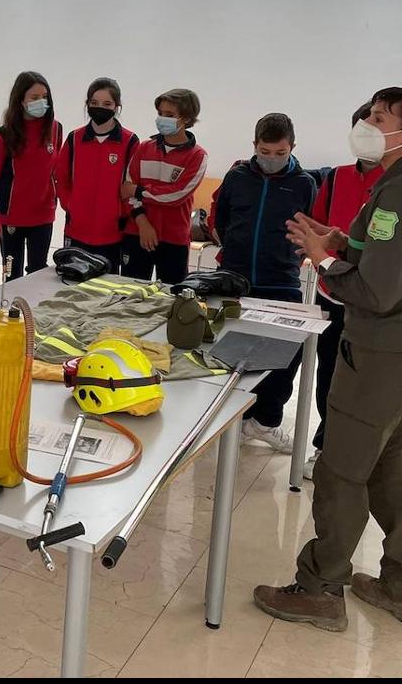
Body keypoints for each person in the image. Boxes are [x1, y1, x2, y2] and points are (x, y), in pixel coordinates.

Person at [255, 87, 402, 634]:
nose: (366, 124)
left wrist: (325, 261)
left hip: (380, 354)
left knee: (343, 470)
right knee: (399, 470)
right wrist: (342, 241)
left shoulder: (397, 195)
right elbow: (398, 260)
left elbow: (378, 291)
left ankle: (320, 588)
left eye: (378, 117)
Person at [209, 113, 316, 454]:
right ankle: (227, 419)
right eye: (265, 151)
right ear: (254, 146)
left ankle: (265, 420)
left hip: (281, 280)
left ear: (292, 148)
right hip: (235, 277)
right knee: (228, 353)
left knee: (284, 355)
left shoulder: (304, 183)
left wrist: (288, 256)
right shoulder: (237, 176)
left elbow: (310, 228)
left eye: (280, 152)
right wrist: (233, 248)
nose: (272, 159)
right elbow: (221, 218)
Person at [303, 102, 385, 480]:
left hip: (371, 300)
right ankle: (325, 445)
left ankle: (362, 454)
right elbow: (322, 224)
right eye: (360, 128)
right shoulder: (335, 177)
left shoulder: (397, 185)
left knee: (365, 382)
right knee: (329, 375)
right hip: (331, 291)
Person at [122, 88, 208, 285]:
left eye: (169, 115)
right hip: (137, 232)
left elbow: (177, 195)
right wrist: (143, 223)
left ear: (186, 119)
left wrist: (139, 191)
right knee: (129, 294)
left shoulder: (197, 156)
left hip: (173, 238)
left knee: (171, 299)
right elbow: (126, 190)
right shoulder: (143, 148)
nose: (162, 119)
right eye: (160, 113)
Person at [54, 77, 139, 268]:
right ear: (87, 105)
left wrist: (121, 212)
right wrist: (70, 204)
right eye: (94, 103)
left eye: (107, 103)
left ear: (117, 106)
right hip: (77, 230)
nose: (100, 107)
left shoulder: (130, 141)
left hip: (112, 232)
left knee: (105, 288)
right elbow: (60, 176)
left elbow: (133, 183)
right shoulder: (75, 139)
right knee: (73, 284)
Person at [0, 71, 62, 279]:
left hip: (43, 216)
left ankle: (33, 313)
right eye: (35, 98)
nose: (41, 102)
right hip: (11, 218)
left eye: (44, 97)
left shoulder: (55, 129)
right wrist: (4, 208)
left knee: (37, 273)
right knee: (12, 276)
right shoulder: (4, 135)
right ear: (21, 100)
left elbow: (55, 170)